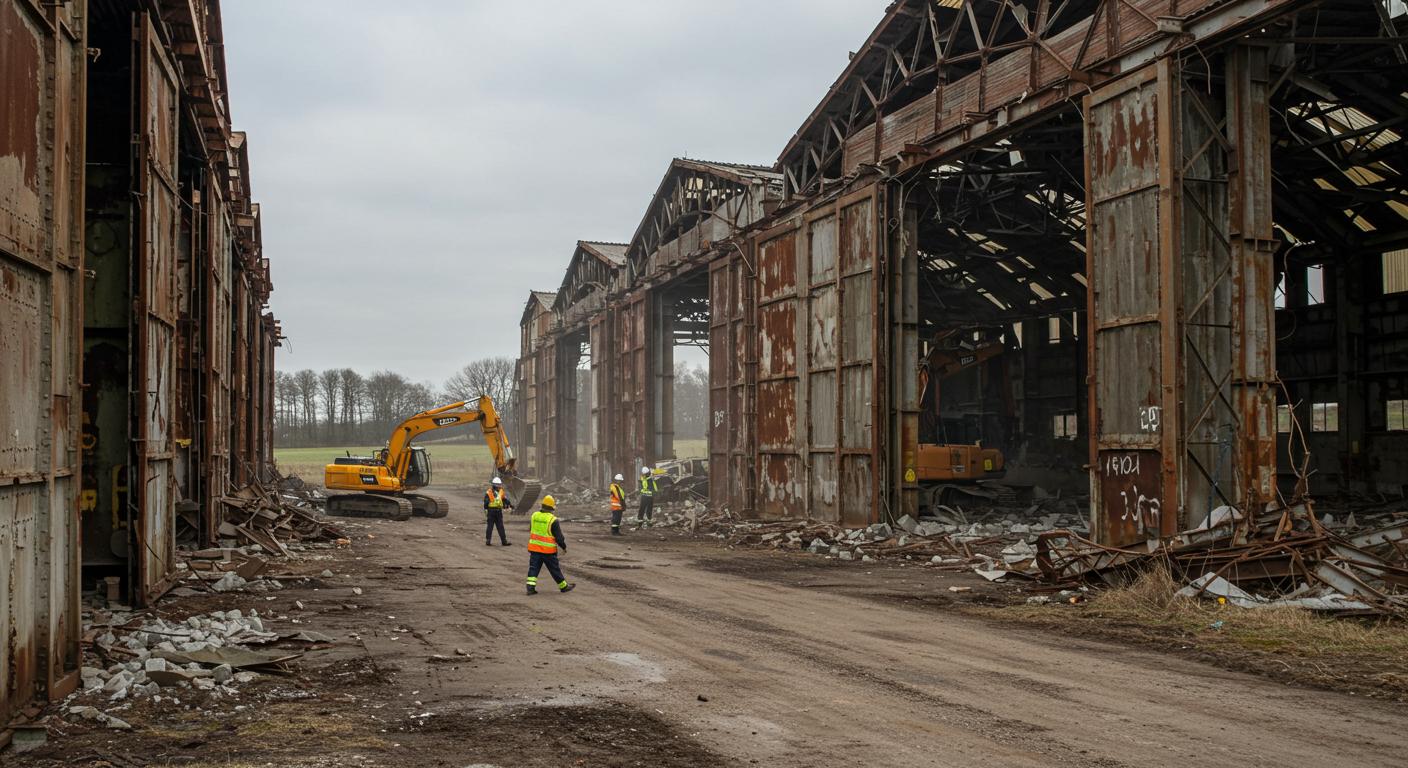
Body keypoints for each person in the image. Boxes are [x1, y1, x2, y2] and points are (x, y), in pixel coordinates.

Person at [526, 495, 574, 595]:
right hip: (548, 551)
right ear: (552, 508)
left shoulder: (534, 515)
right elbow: (559, 537)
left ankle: (530, 588)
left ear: (542, 506)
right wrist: (563, 547)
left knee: (533, 569)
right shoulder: (553, 520)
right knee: (554, 569)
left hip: (534, 549)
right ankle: (563, 586)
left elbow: (531, 529)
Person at [483, 477, 512, 546]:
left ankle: (489, 540)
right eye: (498, 485)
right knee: (497, 527)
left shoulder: (491, 492)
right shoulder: (494, 492)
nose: (499, 486)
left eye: (499, 485)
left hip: (493, 512)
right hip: (495, 512)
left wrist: (509, 504)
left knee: (493, 527)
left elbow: (486, 503)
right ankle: (503, 541)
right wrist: (508, 504)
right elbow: (505, 500)